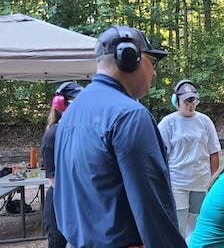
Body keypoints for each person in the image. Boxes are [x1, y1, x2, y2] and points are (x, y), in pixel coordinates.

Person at [53, 25, 186, 247]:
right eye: (152, 62)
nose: (154, 72)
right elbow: (153, 207)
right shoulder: (130, 116)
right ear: (130, 57)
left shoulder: (71, 113)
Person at [158, 80, 221, 241]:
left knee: (198, 225)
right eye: (186, 100)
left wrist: (210, 178)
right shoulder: (167, 123)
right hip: (177, 183)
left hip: (201, 182)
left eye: (192, 100)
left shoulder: (205, 121)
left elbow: (214, 152)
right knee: (178, 225)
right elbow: (160, 156)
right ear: (176, 100)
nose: (190, 104)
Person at [41, 81, 83, 248]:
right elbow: (54, 180)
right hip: (61, 202)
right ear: (61, 104)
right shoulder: (53, 135)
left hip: (77, 200)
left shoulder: (81, 130)